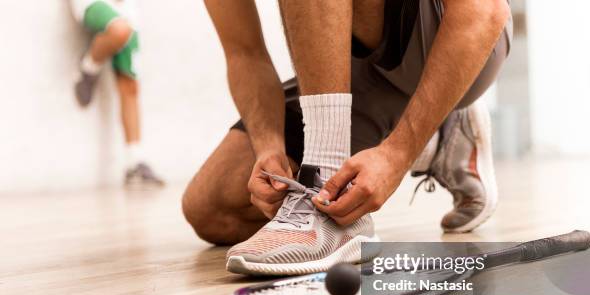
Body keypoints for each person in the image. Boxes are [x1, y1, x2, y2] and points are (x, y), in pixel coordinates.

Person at [182, 0, 512, 275]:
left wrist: (397, 155)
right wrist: (268, 145)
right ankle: (439, 138)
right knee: (211, 209)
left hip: (461, 42)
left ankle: (324, 174)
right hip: (359, 76)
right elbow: (244, 53)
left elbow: (484, 13)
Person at [69, 0, 164, 187]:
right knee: (119, 30)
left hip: (126, 9)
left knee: (130, 84)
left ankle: (134, 163)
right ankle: (88, 66)